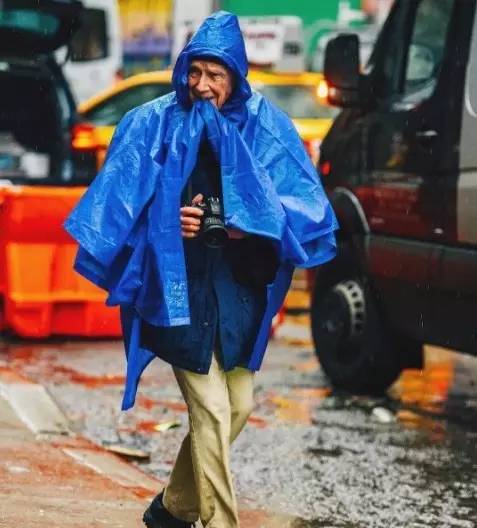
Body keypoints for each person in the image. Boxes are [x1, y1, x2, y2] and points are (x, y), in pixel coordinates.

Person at [64, 11, 338, 528]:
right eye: (195, 72)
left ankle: (171, 509)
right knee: (210, 407)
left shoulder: (266, 125)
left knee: (238, 404)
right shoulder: (154, 123)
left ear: (235, 75)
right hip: (177, 290)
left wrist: (245, 223)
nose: (202, 85)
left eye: (216, 74)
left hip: (236, 292)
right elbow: (122, 210)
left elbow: (300, 206)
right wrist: (171, 221)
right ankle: (221, 521)